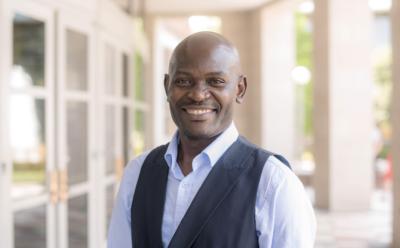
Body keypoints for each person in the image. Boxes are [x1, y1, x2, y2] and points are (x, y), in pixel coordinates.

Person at [108, 31, 316, 247]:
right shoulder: (137, 173)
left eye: (215, 81)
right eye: (184, 81)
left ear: (240, 89)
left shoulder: (273, 183)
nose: (198, 94)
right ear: (167, 87)